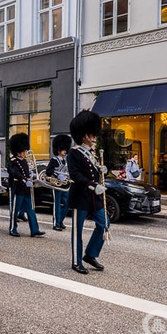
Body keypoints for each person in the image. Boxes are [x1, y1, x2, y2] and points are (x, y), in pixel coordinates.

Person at [67, 110, 109, 275]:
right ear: (84, 135)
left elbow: (95, 172)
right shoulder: (74, 152)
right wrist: (92, 185)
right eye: (92, 134)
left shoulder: (92, 153)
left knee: (104, 224)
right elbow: (75, 174)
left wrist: (103, 169)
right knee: (77, 231)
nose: (94, 137)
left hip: (94, 198)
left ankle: (90, 254)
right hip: (81, 197)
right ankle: (76, 262)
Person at [6, 133, 45, 238]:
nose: (25, 153)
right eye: (23, 151)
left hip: (26, 189)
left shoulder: (24, 161)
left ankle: (34, 230)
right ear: (18, 151)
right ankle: (12, 228)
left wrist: (31, 176)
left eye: (25, 151)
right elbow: (15, 173)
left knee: (31, 209)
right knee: (15, 209)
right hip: (17, 187)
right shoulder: (12, 161)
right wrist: (24, 179)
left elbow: (26, 173)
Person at [47, 134, 72, 231]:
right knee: (56, 205)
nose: (65, 151)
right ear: (58, 149)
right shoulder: (54, 160)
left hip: (65, 185)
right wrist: (57, 175)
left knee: (67, 203)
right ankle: (56, 223)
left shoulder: (65, 160)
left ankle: (61, 219)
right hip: (56, 185)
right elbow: (49, 171)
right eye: (63, 149)